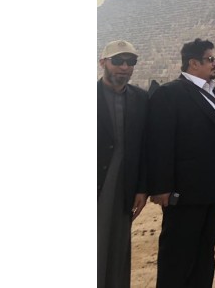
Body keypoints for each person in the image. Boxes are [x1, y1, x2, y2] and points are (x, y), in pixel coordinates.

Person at [147, 38, 215, 288]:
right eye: (211, 59)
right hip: (185, 192)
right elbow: (160, 143)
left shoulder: (212, 91)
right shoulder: (169, 93)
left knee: (204, 252)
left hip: (214, 190)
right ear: (193, 63)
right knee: (177, 256)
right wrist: (161, 186)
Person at [98, 40, 149, 288]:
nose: (125, 67)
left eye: (131, 62)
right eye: (118, 61)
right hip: (98, 183)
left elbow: (146, 147)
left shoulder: (141, 99)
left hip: (125, 187)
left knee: (119, 249)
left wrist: (142, 188)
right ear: (102, 62)